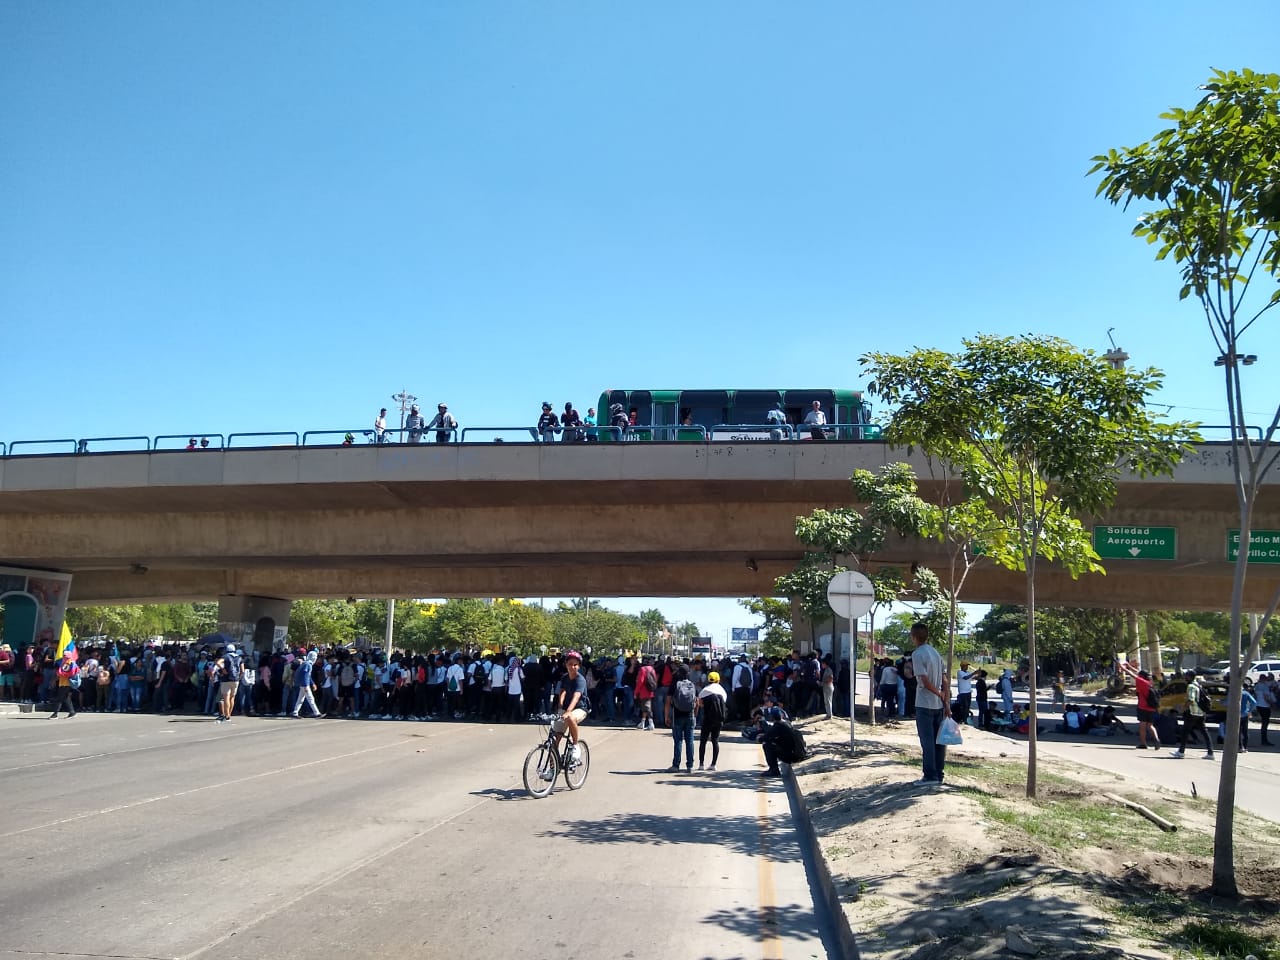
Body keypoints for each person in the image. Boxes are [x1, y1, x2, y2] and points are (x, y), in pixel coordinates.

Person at [910, 622, 949, 786]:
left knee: (927, 741)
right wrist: (946, 702)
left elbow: (924, 680)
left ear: (913, 637)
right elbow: (945, 679)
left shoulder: (917, 654)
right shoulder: (936, 653)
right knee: (939, 741)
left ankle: (930, 775)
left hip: (924, 703)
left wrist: (938, 693)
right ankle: (939, 773)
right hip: (938, 705)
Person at [552, 650, 589, 764]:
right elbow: (562, 691)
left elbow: (576, 696)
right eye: (570, 664)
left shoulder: (580, 680)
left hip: (580, 708)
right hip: (566, 708)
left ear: (579, 666)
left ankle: (575, 746)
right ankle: (552, 768)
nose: (572, 667)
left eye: (575, 664)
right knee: (553, 740)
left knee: (571, 718)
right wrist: (561, 705)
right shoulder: (564, 677)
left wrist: (568, 711)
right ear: (566, 664)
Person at [1171, 669, 1214, 760]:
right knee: (1204, 732)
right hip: (1201, 713)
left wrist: (1183, 709)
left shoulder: (1190, 686)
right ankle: (1210, 753)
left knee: (1185, 732)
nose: (1185, 677)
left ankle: (1181, 752)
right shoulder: (1198, 685)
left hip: (1192, 712)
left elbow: (1191, 699)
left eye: (1186, 676)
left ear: (1189, 677)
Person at [1118, 661, 1159, 749]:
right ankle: (1156, 739)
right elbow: (1138, 672)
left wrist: (1124, 668)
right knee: (1150, 725)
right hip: (1152, 708)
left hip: (1143, 707)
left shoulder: (1141, 682)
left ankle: (1143, 744)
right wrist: (1129, 666)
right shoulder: (1151, 682)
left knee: (1142, 726)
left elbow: (1133, 674)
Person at [759, 707, 808, 778]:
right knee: (772, 742)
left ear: (772, 717)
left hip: (792, 756)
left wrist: (760, 737)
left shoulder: (778, 726)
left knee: (767, 745)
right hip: (797, 753)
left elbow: (764, 738)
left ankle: (774, 770)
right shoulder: (787, 723)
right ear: (782, 715)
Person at [665, 665, 697, 773]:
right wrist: (695, 715)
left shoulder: (674, 685)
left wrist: (666, 716)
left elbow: (668, 702)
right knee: (690, 741)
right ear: (688, 673)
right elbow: (696, 702)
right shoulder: (692, 685)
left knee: (678, 741)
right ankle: (690, 766)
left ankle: (676, 765)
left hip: (677, 716)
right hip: (690, 716)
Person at [696, 670, 727, 771]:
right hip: (719, 720)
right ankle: (713, 764)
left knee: (703, 741)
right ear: (718, 680)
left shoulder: (705, 690)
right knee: (715, 741)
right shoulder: (722, 691)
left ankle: (701, 764)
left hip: (707, 719)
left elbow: (700, 703)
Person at [291, 651, 322, 718]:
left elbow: (308, 676)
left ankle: (295, 712)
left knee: (300, 699)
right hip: (304, 684)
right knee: (310, 698)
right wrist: (305, 685)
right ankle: (317, 713)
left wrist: (312, 683)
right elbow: (305, 675)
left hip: (302, 684)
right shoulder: (308, 665)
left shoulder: (305, 663)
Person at [216, 644, 242, 724]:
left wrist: (223, 669)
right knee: (232, 697)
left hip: (226, 679)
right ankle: (229, 715)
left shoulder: (226, 656)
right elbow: (243, 670)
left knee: (226, 697)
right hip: (236, 679)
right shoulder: (239, 657)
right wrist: (239, 677)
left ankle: (226, 716)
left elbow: (218, 663)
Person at [49, 654, 80, 719]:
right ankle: (72, 712)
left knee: (59, 699)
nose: (63, 657)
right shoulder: (70, 663)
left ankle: (55, 714)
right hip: (67, 683)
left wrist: (55, 677)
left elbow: (62, 673)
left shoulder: (67, 663)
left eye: (64, 655)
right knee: (66, 698)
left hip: (65, 684)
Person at [635, 657, 658, 730]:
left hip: (643, 691)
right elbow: (655, 679)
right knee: (645, 707)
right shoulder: (652, 669)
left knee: (647, 707)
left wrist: (636, 692)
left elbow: (640, 681)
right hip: (650, 690)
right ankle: (643, 722)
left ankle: (651, 723)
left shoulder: (642, 669)